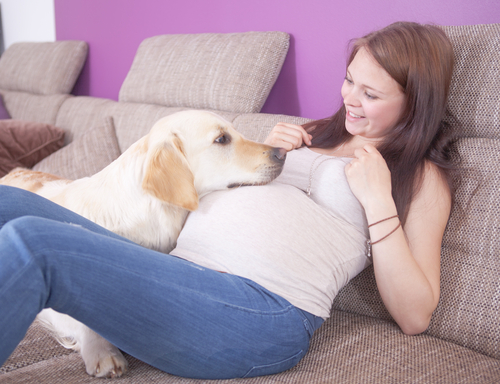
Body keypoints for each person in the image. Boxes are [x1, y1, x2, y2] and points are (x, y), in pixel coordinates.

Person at [0, 21, 456, 380]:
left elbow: (416, 314)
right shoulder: (315, 133)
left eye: (371, 93)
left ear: (415, 103)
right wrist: (269, 154)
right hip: (179, 274)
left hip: (258, 313)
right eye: (350, 80)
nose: (350, 100)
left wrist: (379, 203)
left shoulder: (420, 177)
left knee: (32, 243)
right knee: (8, 202)